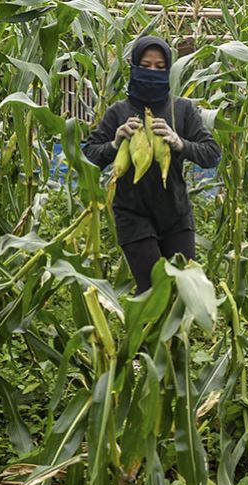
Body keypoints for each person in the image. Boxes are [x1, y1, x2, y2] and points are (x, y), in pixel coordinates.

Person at [82, 36, 221, 294]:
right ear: (134, 66)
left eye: (160, 67)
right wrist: (114, 144)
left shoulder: (181, 111)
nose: (152, 72)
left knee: (182, 292)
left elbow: (212, 154)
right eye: (146, 65)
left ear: (168, 70)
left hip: (176, 215)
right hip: (132, 215)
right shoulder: (118, 113)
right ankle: (146, 334)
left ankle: (173, 336)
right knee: (152, 291)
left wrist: (180, 143)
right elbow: (88, 156)